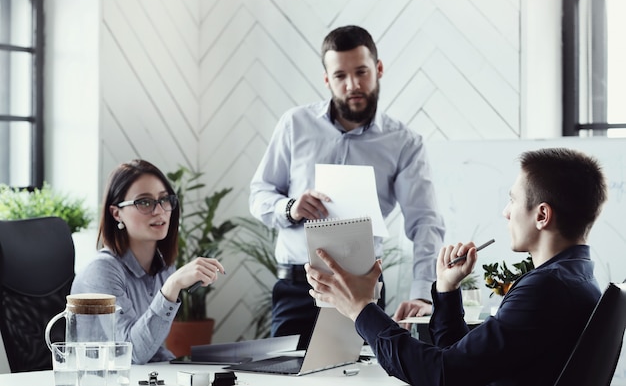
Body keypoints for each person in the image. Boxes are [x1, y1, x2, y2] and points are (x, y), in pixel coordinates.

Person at [305, 147, 608, 386]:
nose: (506, 213)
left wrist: (361, 308)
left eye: (512, 200)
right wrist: (448, 289)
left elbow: (441, 374)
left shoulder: (546, 289)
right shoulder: (576, 277)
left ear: (542, 215)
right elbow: (464, 366)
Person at [249, 24, 445, 349]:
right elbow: (259, 195)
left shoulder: (405, 143)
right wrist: (290, 207)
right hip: (297, 287)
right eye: (340, 76)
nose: (352, 85)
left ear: (378, 69)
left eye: (361, 72)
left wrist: (422, 293)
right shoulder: (294, 125)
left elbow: (425, 223)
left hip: (362, 291)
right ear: (327, 80)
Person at [71, 159, 225, 364]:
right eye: (144, 202)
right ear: (117, 213)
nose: (159, 211)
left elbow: (153, 351)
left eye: (164, 200)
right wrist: (171, 287)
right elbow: (132, 353)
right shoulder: (100, 272)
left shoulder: (163, 266)